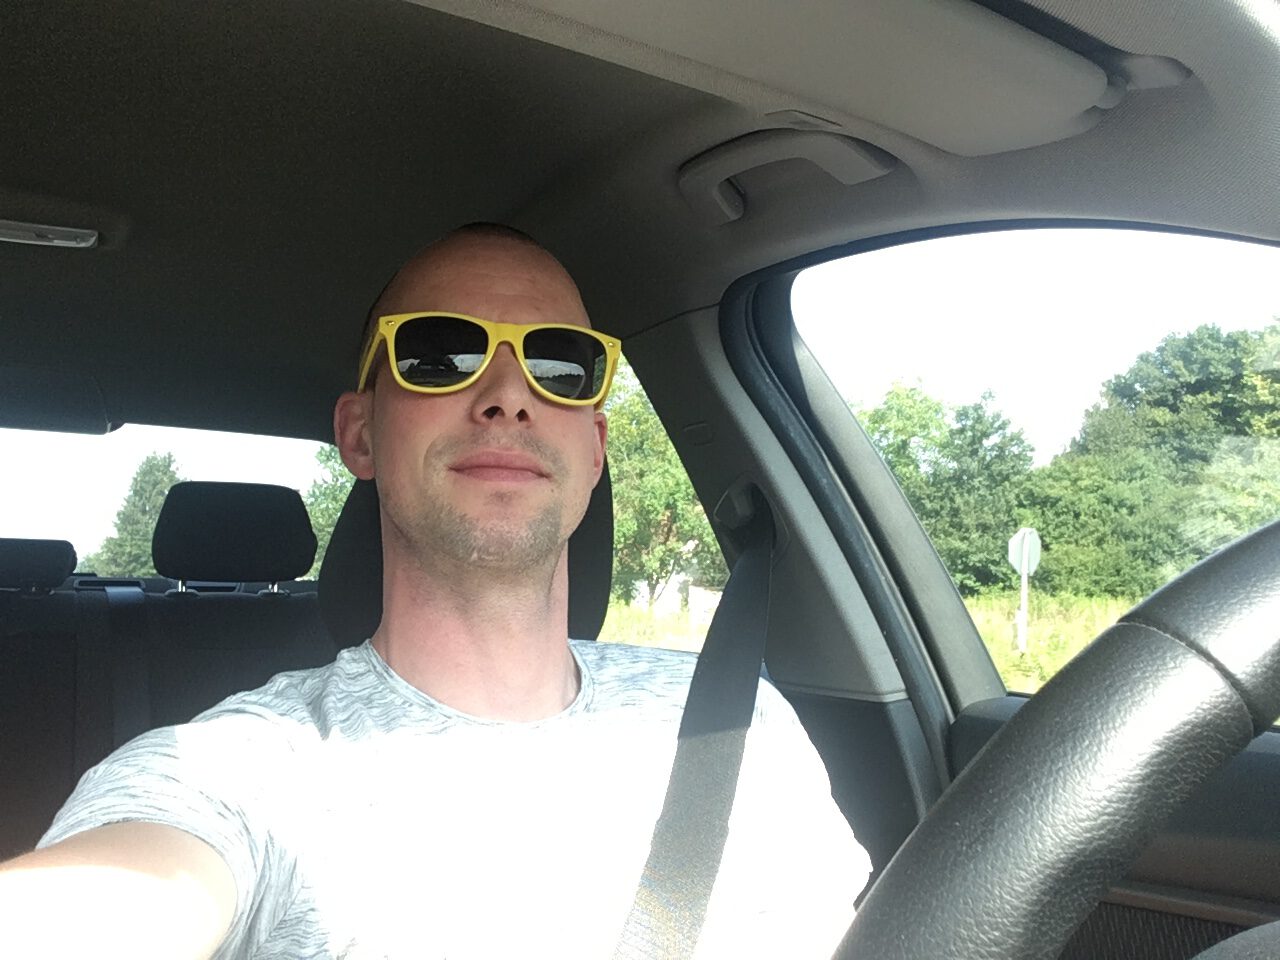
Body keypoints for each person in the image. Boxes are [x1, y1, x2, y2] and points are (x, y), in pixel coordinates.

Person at [0, 224, 871, 958]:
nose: (507, 396)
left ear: (595, 448)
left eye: (561, 364)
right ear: (360, 435)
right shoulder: (244, 769)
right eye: (437, 354)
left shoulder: (736, 719)